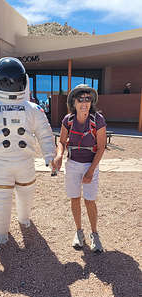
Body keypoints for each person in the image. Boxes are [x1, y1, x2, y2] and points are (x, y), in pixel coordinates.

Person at [0, 57, 56, 244]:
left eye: (16, 80)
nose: (11, 84)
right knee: (1, 198)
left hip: (25, 163)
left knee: (27, 194)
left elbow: (45, 134)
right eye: (7, 81)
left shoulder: (32, 109)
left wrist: (50, 155)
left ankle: (24, 219)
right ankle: (1, 230)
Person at [53, 84, 106, 252]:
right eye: (80, 99)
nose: (84, 103)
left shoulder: (98, 120)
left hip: (91, 164)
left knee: (90, 200)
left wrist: (90, 171)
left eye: (88, 99)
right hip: (73, 164)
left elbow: (102, 147)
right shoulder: (68, 120)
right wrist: (59, 155)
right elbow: (61, 142)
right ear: (73, 102)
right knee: (74, 198)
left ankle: (95, 234)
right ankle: (79, 232)